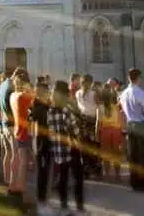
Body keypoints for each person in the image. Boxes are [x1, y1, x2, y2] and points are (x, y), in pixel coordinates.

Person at [48, 80, 84, 214]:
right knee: (77, 177)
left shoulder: (50, 111)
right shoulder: (67, 111)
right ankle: (79, 205)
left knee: (63, 177)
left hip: (58, 148)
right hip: (71, 148)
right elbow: (75, 131)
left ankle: (63, 205)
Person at [120, 68, 144, 193]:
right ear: (138, 78)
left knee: (133, 156)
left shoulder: (124, 93)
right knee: (143, 156)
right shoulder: (140, 92)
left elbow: (123, 111)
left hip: (130, 125)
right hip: (141, 124)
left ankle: (134, 182)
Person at [9, 69, 34, 206]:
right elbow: (34, 100)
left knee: (17, 160)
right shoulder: (23, 96)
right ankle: (22, 193)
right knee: (24, 163)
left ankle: (13, 186)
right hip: (24, 130)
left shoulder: (13, 95)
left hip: (17, 129)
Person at [30, 81, 53, 213]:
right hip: (42, 140)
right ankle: (42, 197)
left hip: (42, 139)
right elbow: (34, 124)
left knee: (44, 170)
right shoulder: (40, 107)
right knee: (44, 170)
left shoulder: (39, 105)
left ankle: (42, 196)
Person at [75, 74, 99, 178]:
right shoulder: (94, 93)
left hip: (83, 121)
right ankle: (93, 168)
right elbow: (98, 106)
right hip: (92, 121)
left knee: (84, 145)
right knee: (93, 144)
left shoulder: (78, 93)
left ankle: (86, 169)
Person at [0, 68, 18, 194]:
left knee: (7, 152)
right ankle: (12, 182)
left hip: (2, 124)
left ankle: (6, 178)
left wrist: (0, 123)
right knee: (15, 153)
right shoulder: (11, 87)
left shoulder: (1, 86)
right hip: (11, 124)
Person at [97, 85, 124, 181]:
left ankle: (107, 174)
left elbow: (98, 123)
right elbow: (121, 123)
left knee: (106, 154)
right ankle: (117, 175)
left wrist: (97, 134)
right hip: (116, 132)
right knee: (117, 154)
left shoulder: (100, 107)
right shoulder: (117, 108)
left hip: (105, 131)